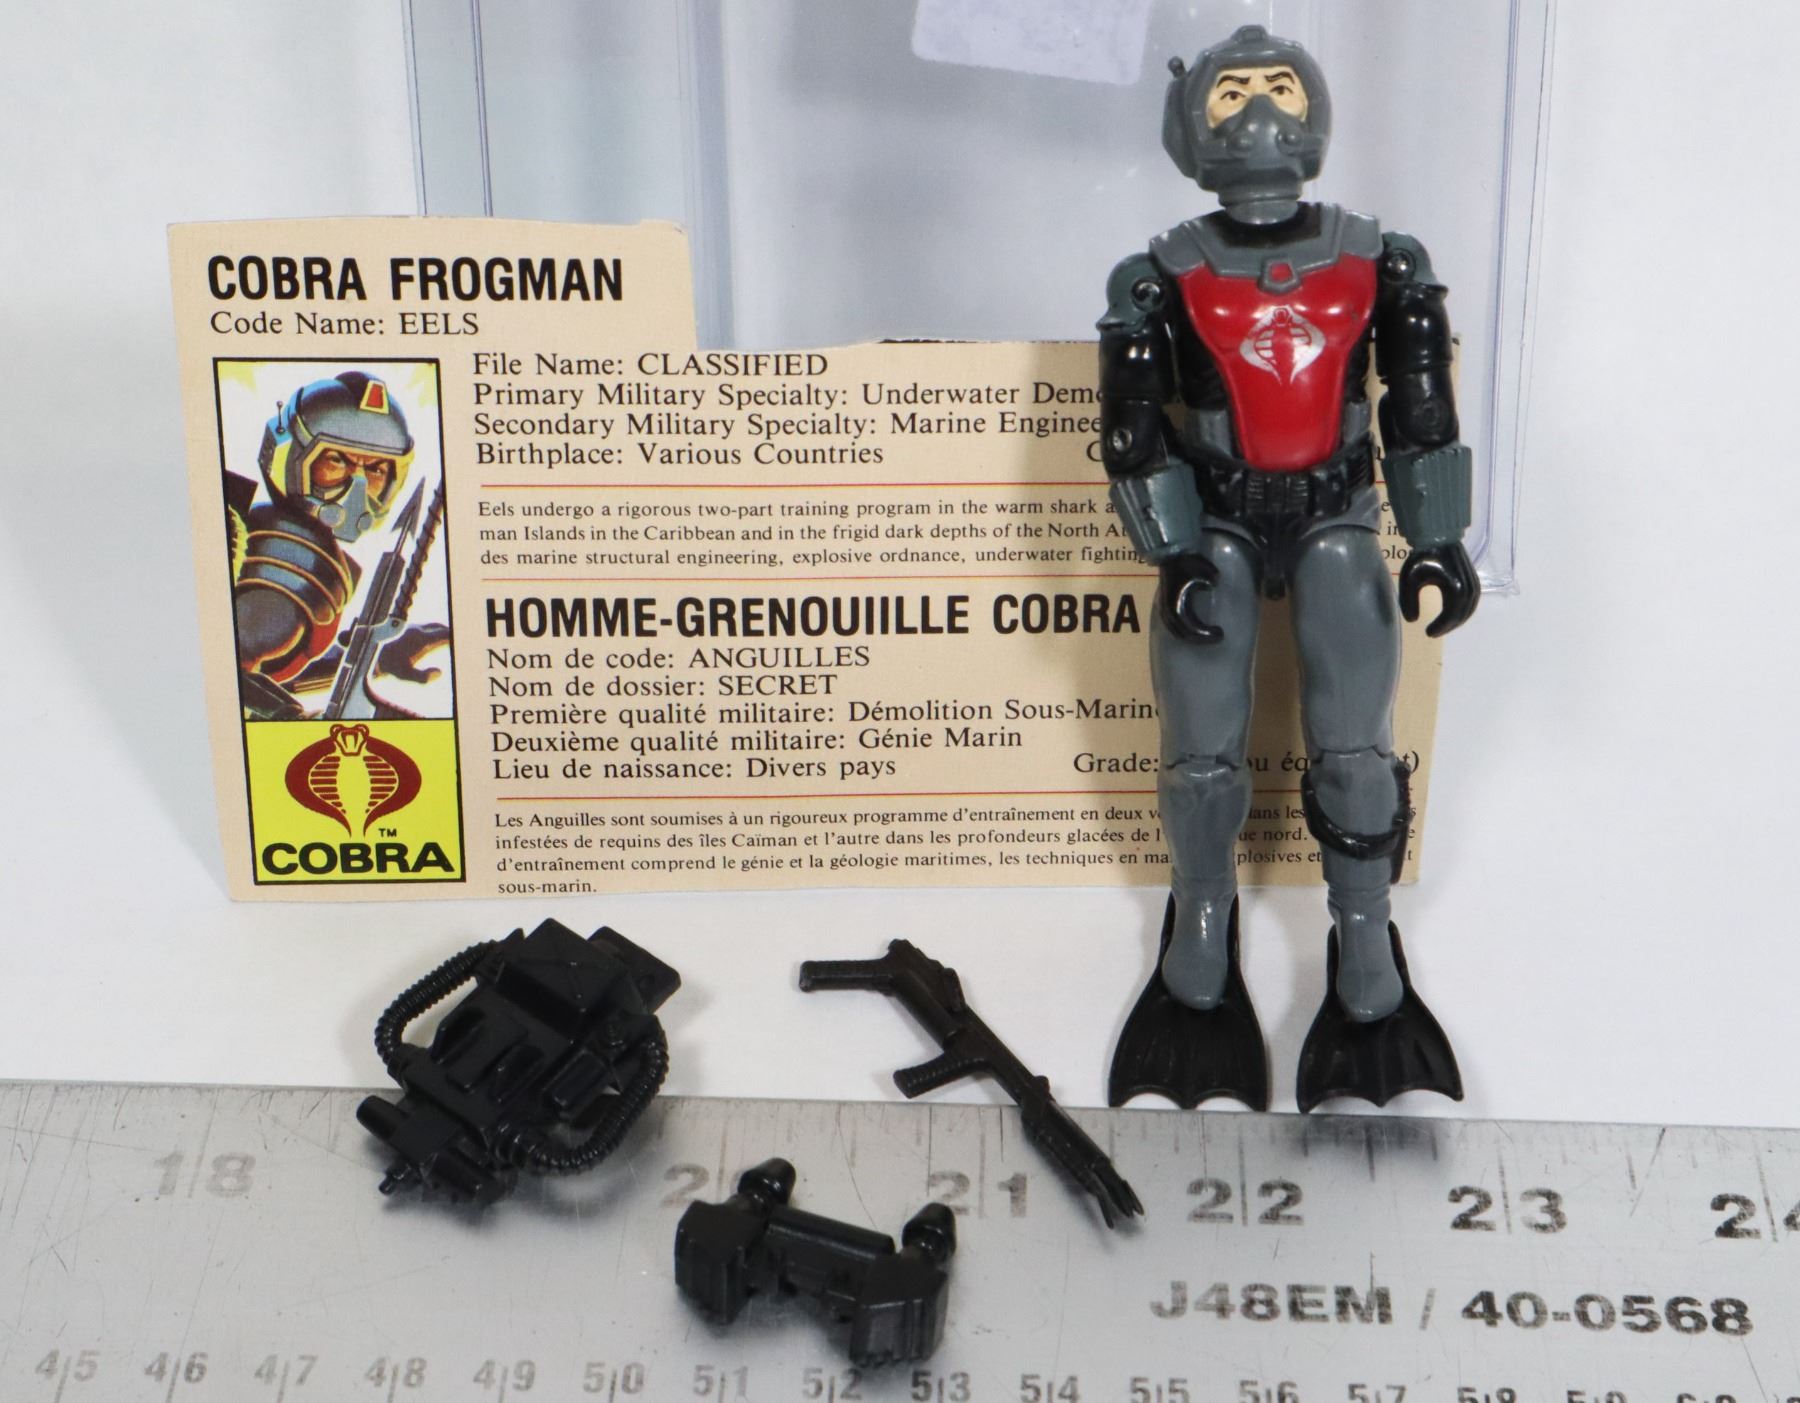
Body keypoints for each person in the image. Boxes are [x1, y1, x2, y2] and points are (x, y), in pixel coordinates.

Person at [1098, 26, 1478, 1112]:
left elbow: (1419, 406)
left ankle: (1365, 937)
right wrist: (1170, 545)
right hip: (1215, 516)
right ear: (1190, 126)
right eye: (1231, 96)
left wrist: (1436, 530)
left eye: (1277, 89)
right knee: (1200, 756)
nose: (1259, 114)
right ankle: (1200, 926)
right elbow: (1131, 433)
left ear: (1314, 109)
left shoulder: (1378, 260)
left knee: (1358, 750)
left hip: (1335, 515)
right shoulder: (1159, 276)